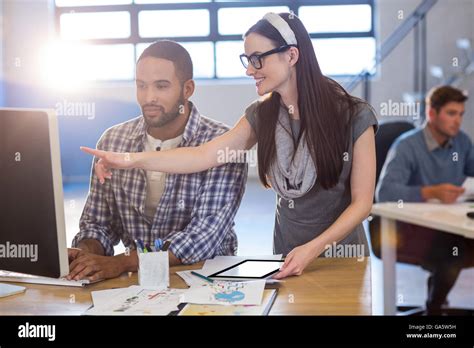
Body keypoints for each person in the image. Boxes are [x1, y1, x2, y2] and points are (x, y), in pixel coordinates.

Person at [81, 13, 378, 279]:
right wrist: (128, 160)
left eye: (257, 58)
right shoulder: (263, 114)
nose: (250, 70)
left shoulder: (355, 115)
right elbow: (203, 155)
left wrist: (312, 249)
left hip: (343, 259)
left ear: (291, 55)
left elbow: (362, 204)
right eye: (247, 59)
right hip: (287, 259)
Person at [67, 41, 247, 281]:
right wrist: (84, 255)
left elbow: (201, 238)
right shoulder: (113, 141)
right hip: (138, 282)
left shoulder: (223, 144)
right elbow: (98, 223)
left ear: (188, 89)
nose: (149, 97)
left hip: (206, 279)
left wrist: (121, 263)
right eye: (142, 86)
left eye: (161, 86)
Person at [376, 85, 474, 314]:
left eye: (461, 114)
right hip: (408, 227)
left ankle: (437, 293)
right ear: (432, 114)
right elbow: (386, 192)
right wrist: (431, 192)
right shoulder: (407, 146)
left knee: (458, 247)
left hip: (449, 223)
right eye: (451, 113)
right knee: (453, 252)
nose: (457, 121)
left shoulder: (462, 142)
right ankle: (434, 308)